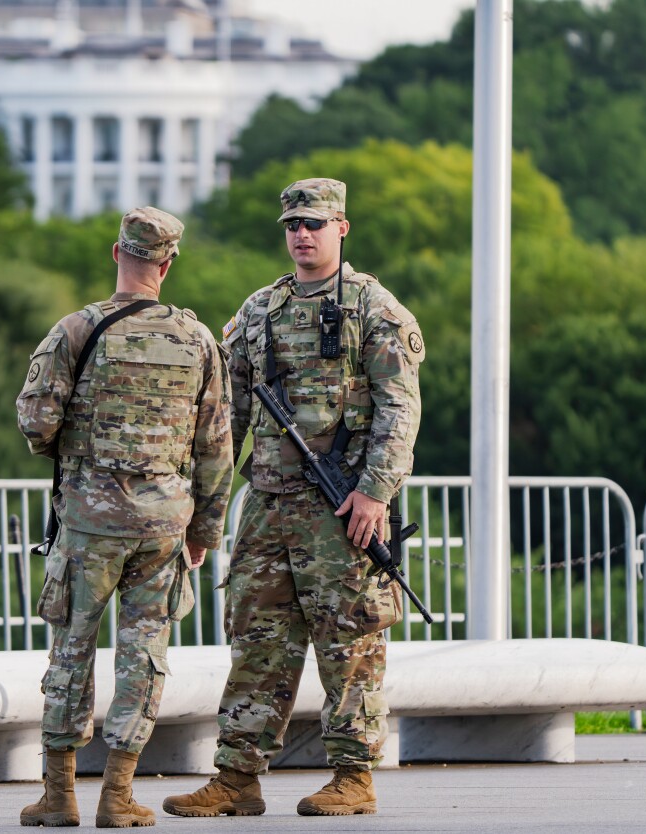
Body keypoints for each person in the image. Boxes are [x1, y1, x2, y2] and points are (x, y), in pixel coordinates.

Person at [162, 178, 425, 818]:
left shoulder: (375, 309)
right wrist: (204, 511)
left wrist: (373, 493)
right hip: (270, 505)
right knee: (257, 641)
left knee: (350, 644)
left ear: (342, 228)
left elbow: (400, 410)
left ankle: (353, 776)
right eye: (292, 225)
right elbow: (228, 418)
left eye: (314, 223)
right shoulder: (259, 312)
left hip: (343, 511)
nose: (301, 235)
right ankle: (236, 778)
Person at [16, 207, 233, 828]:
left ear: (118, 254)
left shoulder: (77, 330)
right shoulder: (198, 340)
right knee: (144, 653)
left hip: (89, 519)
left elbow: (36, 423)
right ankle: (118, 796)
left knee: (71, 648)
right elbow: (217, 445)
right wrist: (204, 531)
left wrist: (73, 449)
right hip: (165, 525)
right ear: (167, 264)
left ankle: (59, 797)